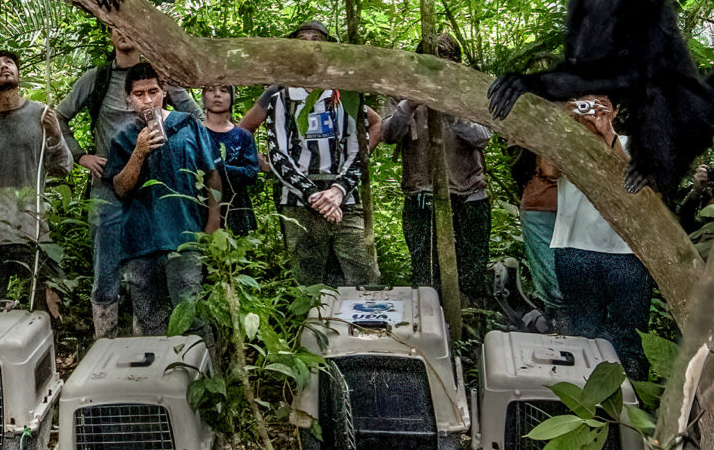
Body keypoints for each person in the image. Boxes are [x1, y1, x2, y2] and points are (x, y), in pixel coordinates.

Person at [55, 25, 202, 338]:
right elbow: (59, 117)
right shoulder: (98, 78)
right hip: (110, 188)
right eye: (115, 27)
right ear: (109, 34)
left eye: (129, 24)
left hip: (154, 190)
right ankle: (105, 339)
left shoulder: (157, 76)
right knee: (106, 266)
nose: (124, 32)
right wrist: (81, 155)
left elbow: (194, 116)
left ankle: (145, 336)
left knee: (149, 262)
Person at [238, 19, 381, 288]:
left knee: (364, 275)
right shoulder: (280, 95)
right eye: (302, 42)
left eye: (317, 42)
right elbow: (275, 148)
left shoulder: (344, 93)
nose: (309, 48)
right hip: (297, 197)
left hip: (346, 196)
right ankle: (315, 327)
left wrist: (338, 191)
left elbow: (365, 137)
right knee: (309, 282)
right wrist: (310, 193)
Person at [107, 62, 222, 336]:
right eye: (138, 94)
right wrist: (139, 152)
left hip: (183, 238)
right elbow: (120, 188)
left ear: (164, 91)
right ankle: (158, 377)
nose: (147, 100)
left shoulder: (188, 125)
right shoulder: (123, 138)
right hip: (140, 244)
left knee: (192, 317)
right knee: (150, 322)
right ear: (128, 98)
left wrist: (213, 222)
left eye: (153, 91)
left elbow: (212, 174)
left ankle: (201, 373)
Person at [0, 50, 72, 312]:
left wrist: (54, 135)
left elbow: (64, 168)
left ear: (18, 74)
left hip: (33, 230)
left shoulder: (41, 116)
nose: (4, 67)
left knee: (47, 306)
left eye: (9, 63)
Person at [378, 33, 493, 303]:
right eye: (433, 59)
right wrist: (409, 105)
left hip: (470, 195)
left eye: (448, 59)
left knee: (472, 273)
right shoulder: (400, 90)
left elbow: (483, 137)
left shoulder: (471, 92)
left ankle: (471, 328)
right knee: (426, 276)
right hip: (421, 196)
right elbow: (387, 134)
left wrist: (452, 113)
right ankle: (432, 328)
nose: (441, 65)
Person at [550, 95, 652, 380]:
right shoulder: (568, 142)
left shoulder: (632, 143)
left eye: (601, 104)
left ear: (616, 109)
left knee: (630, 337)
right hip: (575, 251)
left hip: (627, 254)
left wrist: (607, 134)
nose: (592, 110)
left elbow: (634, 181)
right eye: (586, 102)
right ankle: (588, 397)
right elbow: (547, 171)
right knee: (584, 333)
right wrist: (562, 122)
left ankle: (633, 399)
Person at [514, 149, 564, 328]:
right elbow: (549, 170)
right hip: (542, 204)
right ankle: (558, 322)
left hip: (546, 204)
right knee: (553, 276)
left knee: (554, 274)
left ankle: (559, 321)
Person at [202, 84, 260, 235]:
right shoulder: (195, 133)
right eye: (210, 90)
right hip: (201, 205)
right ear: (203, 97)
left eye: (223, 90)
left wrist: (220, 168)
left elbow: (251, 173)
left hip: (236, 208)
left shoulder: (243, 136)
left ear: (231, 98)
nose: (217, 95)